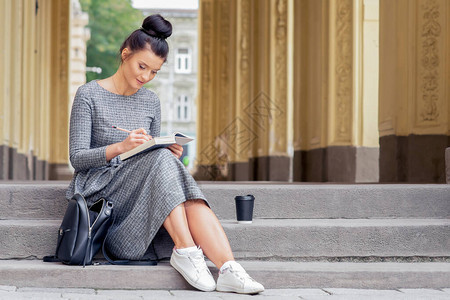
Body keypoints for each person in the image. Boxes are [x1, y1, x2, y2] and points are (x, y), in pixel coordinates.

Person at [67, 14, 264, 294]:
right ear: (125, 54)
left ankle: (229, 267)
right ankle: (185, 250)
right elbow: (77, 158)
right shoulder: (88, 94)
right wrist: (121, 147)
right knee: (162, 165)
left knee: (165, 160)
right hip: (102, 195)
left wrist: (168, 151)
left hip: (143, 190)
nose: (145, 77)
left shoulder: (151, 101)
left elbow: (151, 156)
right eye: (142, 66)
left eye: (154, 72)